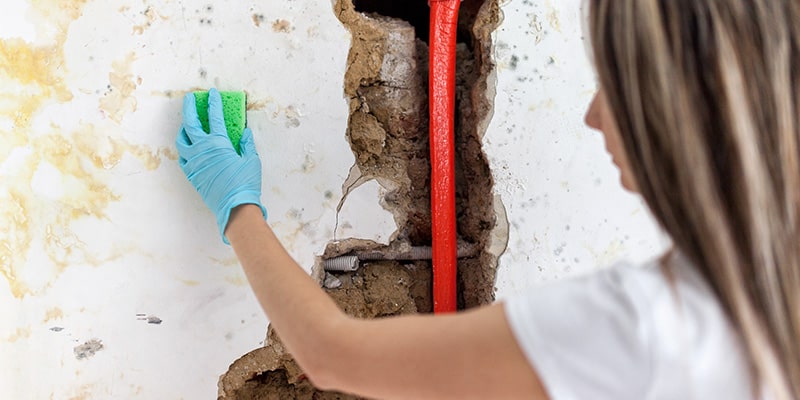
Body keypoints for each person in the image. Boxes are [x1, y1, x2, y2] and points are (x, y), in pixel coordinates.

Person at [175, 0, 800, 399]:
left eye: (613, 87)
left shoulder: (644, 323)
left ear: (679, 110)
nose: (591, 117)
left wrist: (238, 207)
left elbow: (333, 355)